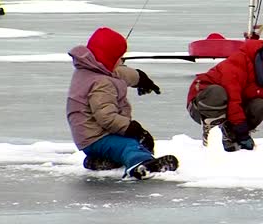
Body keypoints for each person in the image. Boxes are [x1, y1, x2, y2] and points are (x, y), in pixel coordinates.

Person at [66, 27, 179, 179]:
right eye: (119, 57)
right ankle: (141, 165)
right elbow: (106, 117)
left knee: (120, 145)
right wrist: (133, 129)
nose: (121, 61)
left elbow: (119, 73)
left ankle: (99, 161)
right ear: (109, 57)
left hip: (88, 137)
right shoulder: (101, 83)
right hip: (97, 137)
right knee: (129, 145)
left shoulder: (91, 68)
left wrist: (141, 79)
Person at [186, 39, 263, 152]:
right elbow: (232, 97)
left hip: (231, 111)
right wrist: (240, 127)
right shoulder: (237, 64)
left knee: (260, 105)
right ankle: (212, 133)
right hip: (201, 104)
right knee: (218, 93)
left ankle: (231, 134)